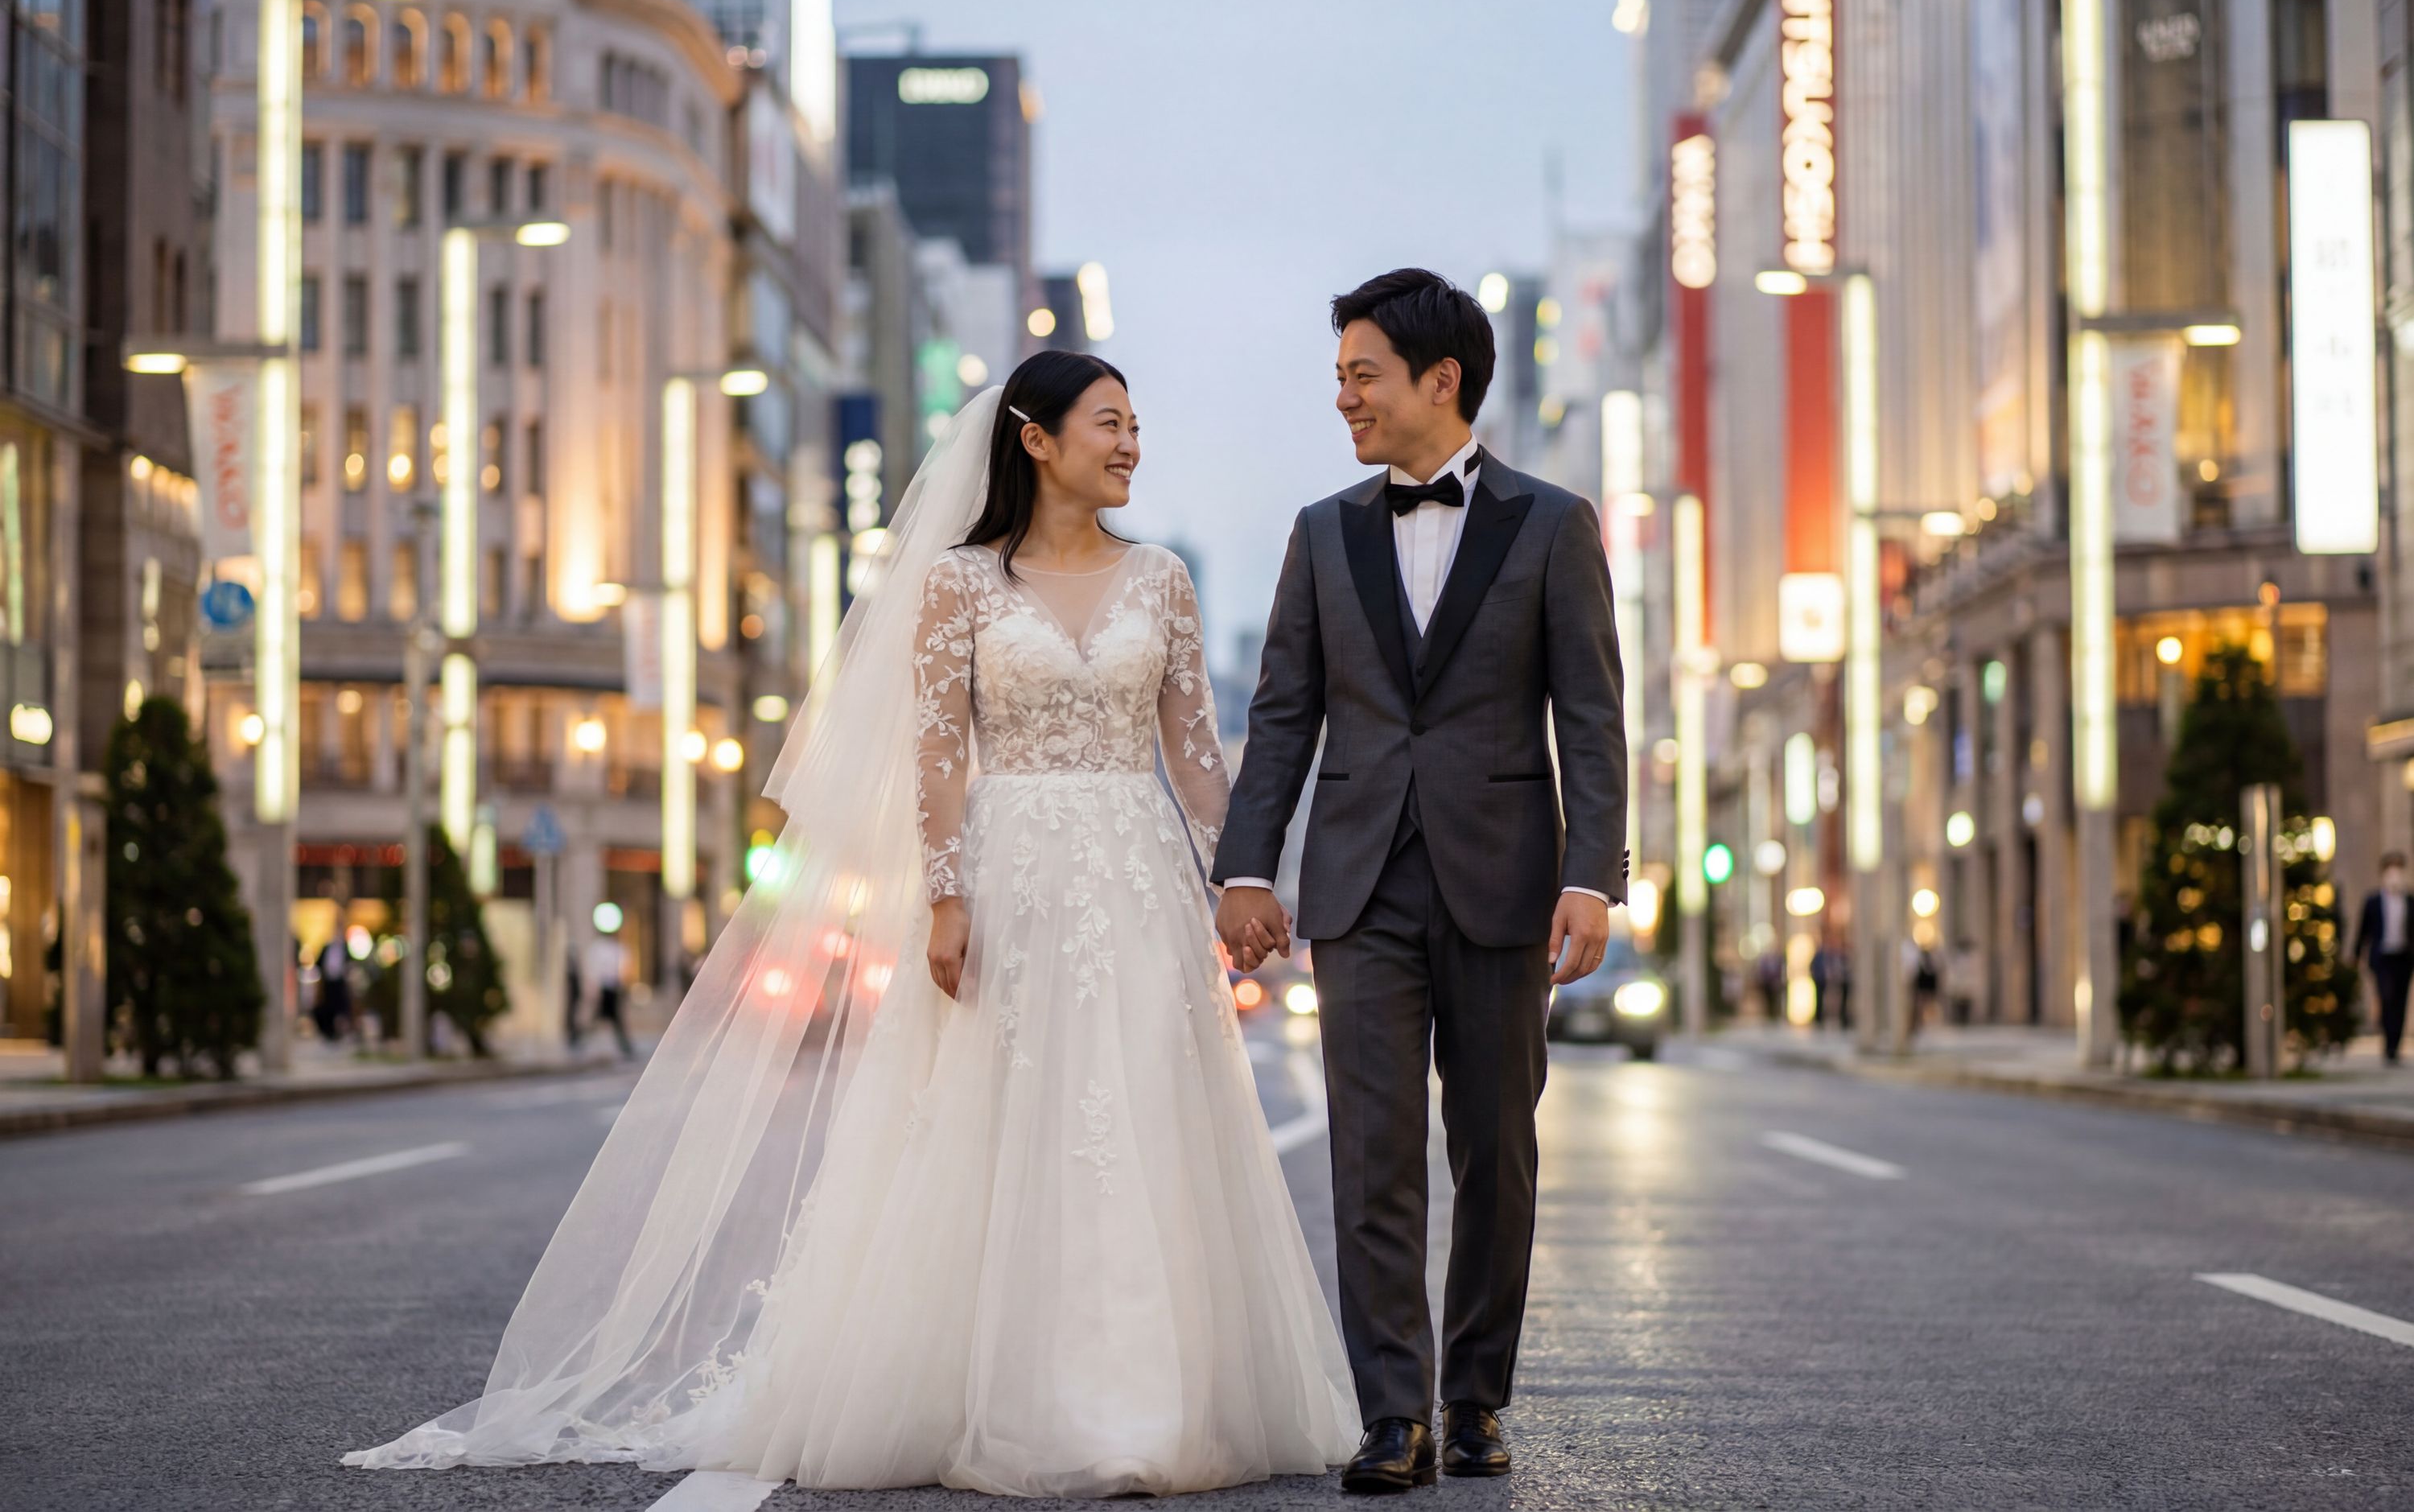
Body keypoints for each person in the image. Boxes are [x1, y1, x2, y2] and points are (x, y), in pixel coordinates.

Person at [344, 355, 1357, 1493]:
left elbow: (1195, 756)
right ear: (1035, 438)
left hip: (1135, 880)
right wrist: (946, 891)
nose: (1131, 444)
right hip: (1012, 867)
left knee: (1142, 1114)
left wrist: (1244, 876)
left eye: (1136, 425)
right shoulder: (964, 585)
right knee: (999, 1118)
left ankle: (1150, 1400)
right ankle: (1004, 1391)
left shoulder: (1163, 578)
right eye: (1110, 423)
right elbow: (935, 751)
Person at [1213, 270, 1626, 1491]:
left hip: (1504, 881)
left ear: (1440, 380)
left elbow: (1591, 716)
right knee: (1372, 1153)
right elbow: (1282, 714)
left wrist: (1592, 876)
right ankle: (1392, 1411)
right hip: (1358, 888)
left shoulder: (1554, 524)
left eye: (1362, 373)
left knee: (1495, 1149)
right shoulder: (1324, 531)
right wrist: (1247, 865)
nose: (1342, 396)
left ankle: (1476, 1395)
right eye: (1341, 374)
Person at [2355, 852, 2414, 1064]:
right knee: (2387, 999)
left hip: (2404, 958)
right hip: (2382, 959)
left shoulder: (2408, 900)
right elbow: (2364, 930)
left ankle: (2394, 1047)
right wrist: (2356, 954)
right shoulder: (2373, 900)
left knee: (2400, 1002)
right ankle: (2388, 1044)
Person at [582, 930, 632, 1061]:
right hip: (603, 987)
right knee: (600, 1017)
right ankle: (583, 1040)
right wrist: (594, 986)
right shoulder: (598, 948)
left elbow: (622, 967)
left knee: (613, 1018)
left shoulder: (616, 948)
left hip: (612, 988)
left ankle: (624, 1045)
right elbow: (593, 968)